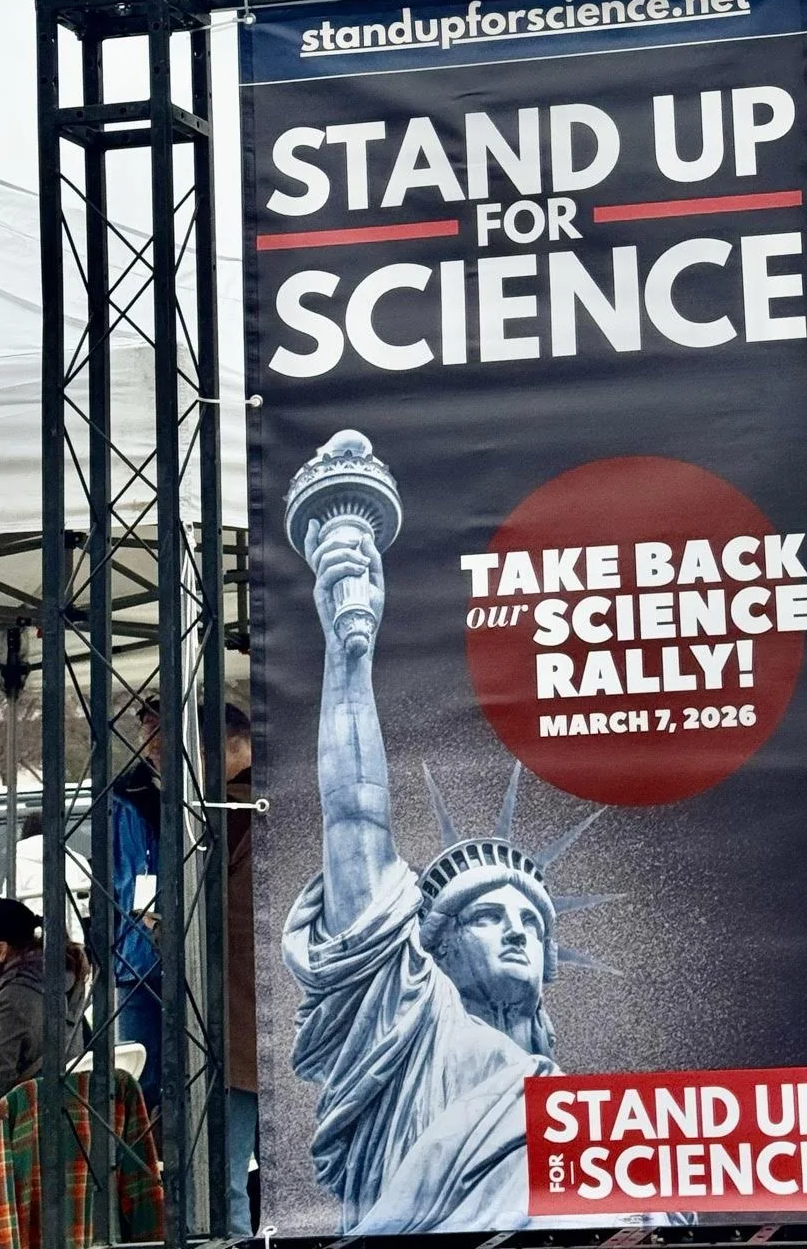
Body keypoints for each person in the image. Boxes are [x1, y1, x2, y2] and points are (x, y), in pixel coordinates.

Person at [283, 450, 614, 1236]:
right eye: (489, 916)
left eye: (533, 924)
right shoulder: (409, 1020)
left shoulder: (553, 1091)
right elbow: (354, 812)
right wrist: (345, 655)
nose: (518, 931)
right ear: (434, 943)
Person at [113, 698, 162, 1119]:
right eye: (148, 727)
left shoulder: (209, 790)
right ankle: (140, 1170)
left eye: (162, 726)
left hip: (198, 955)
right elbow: (111, 875)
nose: (153, 737)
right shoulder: (124, 794)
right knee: (136, 1079)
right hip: (136, 959)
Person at [0, 897, 87, 1106]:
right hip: (67, 1106)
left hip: (29, 1116)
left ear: (0, 950)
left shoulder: (15, 995)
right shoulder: (65, 976)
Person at [224, 698, 258, 1240]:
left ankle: (232, 1233)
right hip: (252, 1014)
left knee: (226, 1162)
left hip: (236, 1017)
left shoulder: (227, 811)